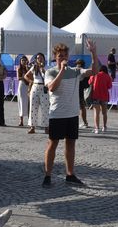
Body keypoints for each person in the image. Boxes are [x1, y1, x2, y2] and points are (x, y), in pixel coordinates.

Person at [42, 39, 98, 188]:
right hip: (57, 114)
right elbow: (52, 88)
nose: (63, 58)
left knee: (70, 144)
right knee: (52, 144)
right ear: (55, 57)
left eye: (65, 55)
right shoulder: (50, 72)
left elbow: (94, 71)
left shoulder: (75, 71)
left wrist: (93, 52)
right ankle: (47, 175)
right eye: (60, 56)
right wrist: (61, 70)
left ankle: (70, 174)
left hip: (72, 115)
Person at [25, 53, 49, 135]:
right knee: (33, 107)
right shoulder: (34, 67)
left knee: (45, 108)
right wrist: (31, 81)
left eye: (41, 58)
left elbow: (47, 76)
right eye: (38, 58)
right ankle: (32, 127)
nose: (39, 59)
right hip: (35, 87)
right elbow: (26, 76)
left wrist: (42, 68)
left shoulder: (47, 67)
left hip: (44, 87)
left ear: (44, 59)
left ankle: (46, 127)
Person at [88, 65, 112, 133]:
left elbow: (89, 82)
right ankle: (104, 127)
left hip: (95, 95)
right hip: (104, 96)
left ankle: (97, 128)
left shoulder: (95, 74)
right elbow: (109, 86)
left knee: (96, 113)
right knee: (104, 113)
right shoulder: (108, 76)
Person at [16, 55, 30, 127]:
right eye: (22, 60)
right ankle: (21, 121)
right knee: (21, 103)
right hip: (22, 86)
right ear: (20, 62)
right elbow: (18, 78)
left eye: (25, 60)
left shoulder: (29, 68)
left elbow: (32, 76)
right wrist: (25, 78)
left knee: (29, 103)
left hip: (28, 86)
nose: (23, 62)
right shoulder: (19, 68)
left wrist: (28, 68)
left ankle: (29, 121)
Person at [76, 60, 90, 128]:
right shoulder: (85, 71)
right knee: (82, 108)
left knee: (79, 108)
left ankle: (84, 123)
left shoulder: (78, 71)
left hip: (77, 92)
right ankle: (85, 122)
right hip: (80, 92)